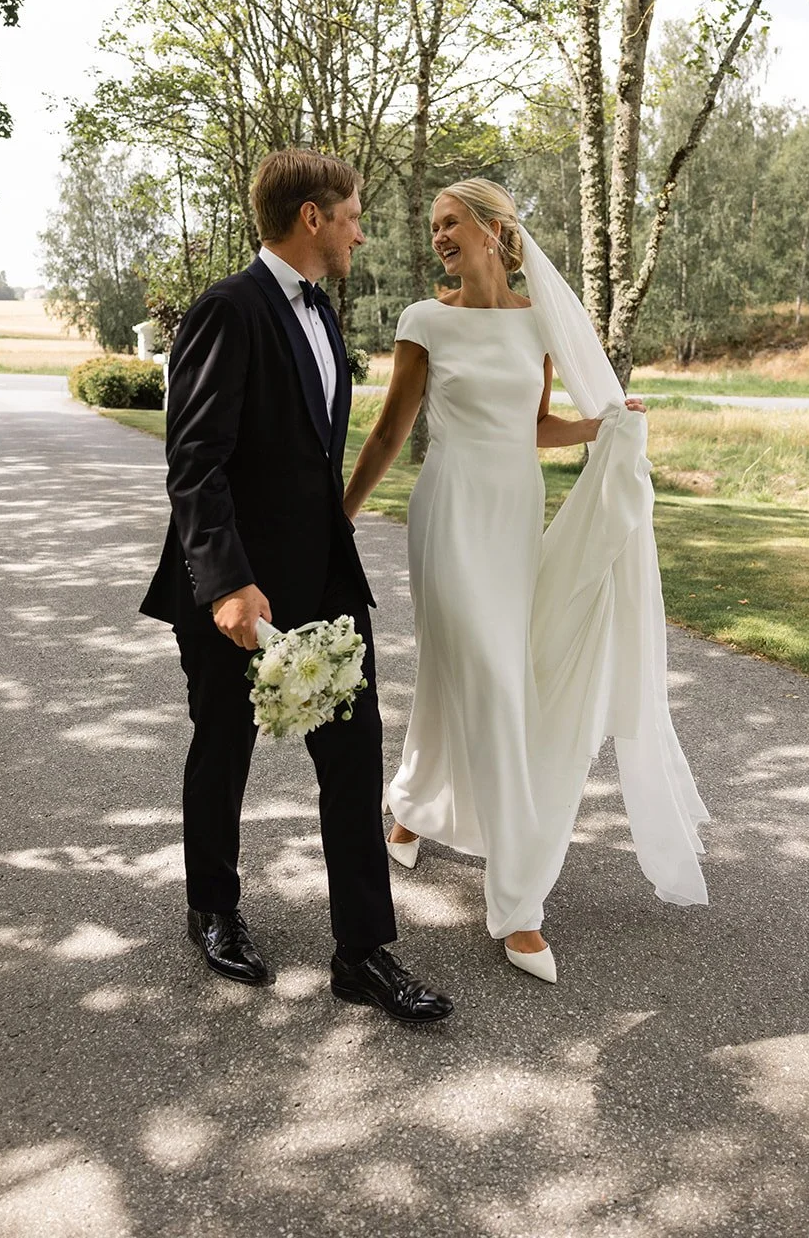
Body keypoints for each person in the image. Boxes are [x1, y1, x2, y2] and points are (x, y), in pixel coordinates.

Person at [344, 179, 709, 983]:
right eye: (432, 226)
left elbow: (535, 425)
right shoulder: (424, 321)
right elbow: (392, 429)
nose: (437, 236)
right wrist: (340, 516)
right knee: (491, 683)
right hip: (449, 511)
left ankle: (405, 807)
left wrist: (607, 424)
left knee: (466, 676)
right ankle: (517, 906)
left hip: (513, 514)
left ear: (491, 229)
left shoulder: (539, 321)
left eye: (450, 223)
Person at [140, 147, 452, 1025]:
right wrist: (229, 582)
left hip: (324, 577)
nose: (362, 228)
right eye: (351, 212)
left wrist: (341, 526)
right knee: (224, 747)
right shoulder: (227, 309)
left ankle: (362, 952)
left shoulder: (323, 311)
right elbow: (193, 463)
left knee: (353, 764)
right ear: (311, 217)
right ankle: (213, 909)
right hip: (235, 585)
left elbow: (313, 451)